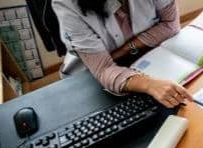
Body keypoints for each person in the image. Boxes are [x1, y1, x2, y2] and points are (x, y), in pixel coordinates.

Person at [52, 0, 192, 108]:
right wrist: (149, 84)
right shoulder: (67, 4)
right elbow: (104, 69)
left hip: (144, 55)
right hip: (93, 75)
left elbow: (170, 24)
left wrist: (126, 49)